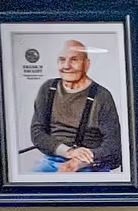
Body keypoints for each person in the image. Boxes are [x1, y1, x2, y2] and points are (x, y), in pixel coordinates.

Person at [24, 39, 122, 173]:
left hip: (89, 163)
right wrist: (68, 152)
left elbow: (113, 145)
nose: (66, 66)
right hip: (53, 160)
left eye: (74, 60)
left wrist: (81, 162)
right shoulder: (48, 89)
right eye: (62, 60)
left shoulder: (102, 96)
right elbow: (37, 132)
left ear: (86, 64)